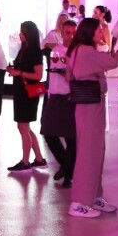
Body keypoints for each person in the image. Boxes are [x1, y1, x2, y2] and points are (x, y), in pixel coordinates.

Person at [66, 19, 118, 218]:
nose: (102, 33)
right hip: (90, 107)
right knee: (89, 153)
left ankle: (93, 195)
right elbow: (113, 61)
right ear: (89, 32)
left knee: (95, 151)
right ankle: (79, 202)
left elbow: (69, 76)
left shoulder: (77, 50)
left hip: (88, 106)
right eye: (98, 30)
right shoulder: (86, 51)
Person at [6, 20, 46, 172]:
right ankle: (39, 159)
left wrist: (19, 72)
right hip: (21, 91)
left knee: (23, 127)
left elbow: (38, 75)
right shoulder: (24, 49)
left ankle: (25, 161)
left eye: (22, 32)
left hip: (27, 93)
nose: (20, 34)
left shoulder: (34, 51)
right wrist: (14, 70)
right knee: (25, 127)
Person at [41, 19, 78, 188]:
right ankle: (66, 166)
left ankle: (68, 174)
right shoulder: (56, 51)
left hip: (71, 98)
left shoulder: (79, 52)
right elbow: (54, 72)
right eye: (67, 33)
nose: (71, 36)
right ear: (61, 34)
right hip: (55, 97)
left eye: (73, 33)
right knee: (49, 134)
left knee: (71, 139)